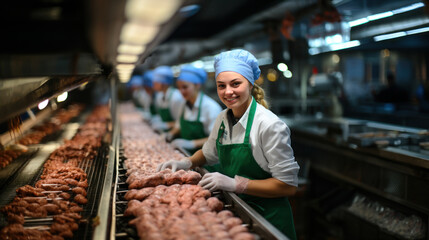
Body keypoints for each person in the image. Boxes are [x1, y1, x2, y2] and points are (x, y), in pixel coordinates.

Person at [157, 49, 300, 239]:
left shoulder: (269, 125)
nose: (228, 92)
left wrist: (236, 184)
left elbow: (287, 186)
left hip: (269, 220)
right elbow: (208, 153)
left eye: (235, 84)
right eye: (221, 86)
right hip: (238, 212)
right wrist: (187, 162)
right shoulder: (223, 118)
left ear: (250, 84)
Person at [166, 65, 222, 154]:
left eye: (185, 87)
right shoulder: (184, 104)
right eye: (179, 87)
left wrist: (192, 144)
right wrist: (170, 133)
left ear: (197, 85)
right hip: (187, 154)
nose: (181, 91)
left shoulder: (210, 107)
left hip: (207, 160)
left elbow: (217, 139)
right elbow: (179, 125)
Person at [151, 66, 185, 131]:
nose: (153, 84)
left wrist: (166, 125)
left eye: (156, 82)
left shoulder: (176, 97)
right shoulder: (159, 96)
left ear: (164, 83)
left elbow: (181, 123)